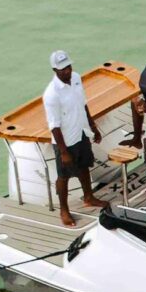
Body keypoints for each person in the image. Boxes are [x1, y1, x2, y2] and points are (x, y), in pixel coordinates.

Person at [43, 52, 108, 228]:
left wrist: (93, 128)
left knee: (84, 166)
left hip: (81, 133)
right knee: (63, 177)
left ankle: (88, 196)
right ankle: (63, 210)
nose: (68, 71)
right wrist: (63, 152)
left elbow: (83, 104)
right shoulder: (51, 95)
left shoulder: (77, 78)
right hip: (65, 141)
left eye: (69, 66)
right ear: (55, 69)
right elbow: (54, 126)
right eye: (63, 69)